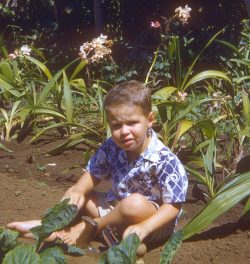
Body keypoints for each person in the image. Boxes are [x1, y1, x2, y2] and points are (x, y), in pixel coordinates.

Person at [7, 80, 188, 248]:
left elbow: (173, 206)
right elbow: (85, 183)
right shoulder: (111, 147)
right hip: (118, 211)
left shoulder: (165, 159)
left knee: (134, 204)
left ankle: (85, 230)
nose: (124, 131)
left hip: (152, 223)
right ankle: (48, 226)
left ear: (150, 119)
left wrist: (146, 227)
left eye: (132, 123)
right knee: (82, 195)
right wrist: (74, 195)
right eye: (116, 125)